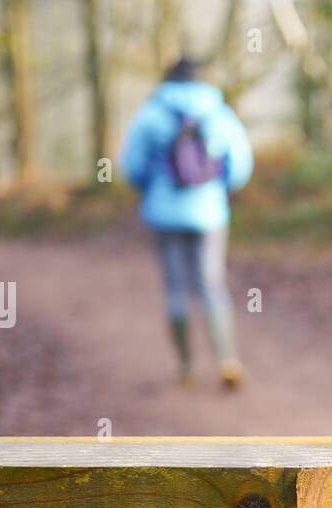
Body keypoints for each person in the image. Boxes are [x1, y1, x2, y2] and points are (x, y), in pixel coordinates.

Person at [120, 57, 254, 388]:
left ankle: (185, 367)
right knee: (211, 283)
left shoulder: (150, 114)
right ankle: (227, 360)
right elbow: (240, 165)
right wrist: (218, 189)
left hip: (163, 214)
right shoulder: (219, 113)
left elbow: (130, 165)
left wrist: (150, 189)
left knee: (175, 287)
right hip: (208, 214)